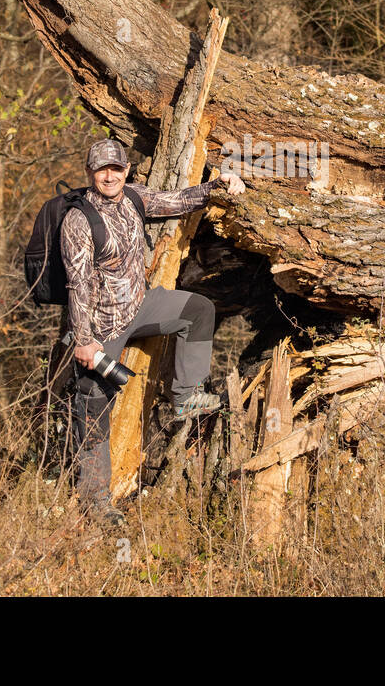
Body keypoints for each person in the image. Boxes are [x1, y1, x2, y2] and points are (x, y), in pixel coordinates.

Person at [59, 138, 246, 527]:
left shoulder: (133, 198)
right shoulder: (78, 221)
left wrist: (217, 186)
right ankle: (96, 504)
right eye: (101, 169)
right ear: (90, 173)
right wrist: (83, 340)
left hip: (140, 307)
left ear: (126, 170)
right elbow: (76, 285)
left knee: (198, 310)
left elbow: (175, 201)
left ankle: (185, 397)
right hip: (101, 325)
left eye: (116, 168)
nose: (109, 176)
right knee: (93, 406)